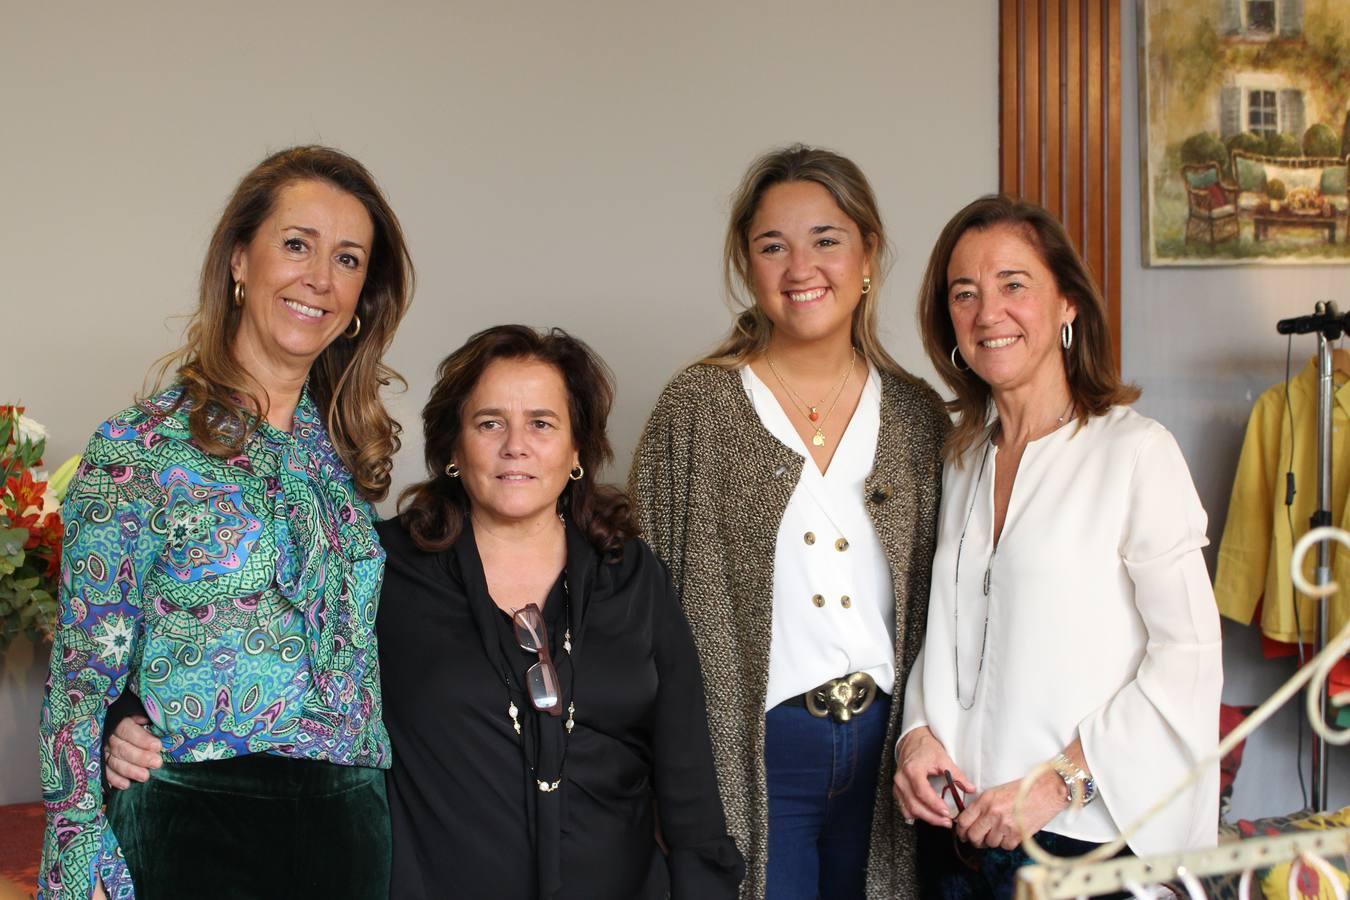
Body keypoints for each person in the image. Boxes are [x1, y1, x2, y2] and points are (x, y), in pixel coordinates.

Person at [112, 325, 745, 899]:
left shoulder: (633, 576)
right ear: (452, 447)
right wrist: (127, 718)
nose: (516, 447)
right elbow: (241, 649)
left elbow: (688, 781)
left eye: (543, 424)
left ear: (578, 449)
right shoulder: (380, 566)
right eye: (490, 423)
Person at [38, 146, 413, 900]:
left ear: (362, 296)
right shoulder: (140, 448)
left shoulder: (343, 464)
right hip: (195, 827)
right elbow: (81, 677)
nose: (319, 278)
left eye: (347, 259)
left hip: (348, 834)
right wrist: (81, 844)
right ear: (240, 260)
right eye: (297, 244)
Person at [629, 145, 950, 899]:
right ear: (747, 265)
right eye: (773, 245)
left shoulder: (918, 417)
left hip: (889, 754)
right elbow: (641, 610)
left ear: (868, 253)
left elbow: (957, 606)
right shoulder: (697, 410)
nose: (800, 266)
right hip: (757, 753)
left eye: (826, 240)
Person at [894, 195, 1221, 899]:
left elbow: (1189, 659)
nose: (989, 312)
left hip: (1084, 841)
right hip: (957, 835)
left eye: (1014, 284)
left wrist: (1057, 782)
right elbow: (945, 634)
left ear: (1068, 303)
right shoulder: (960, 461)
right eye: (965, 293)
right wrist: (916, 735)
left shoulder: (1136, 453)